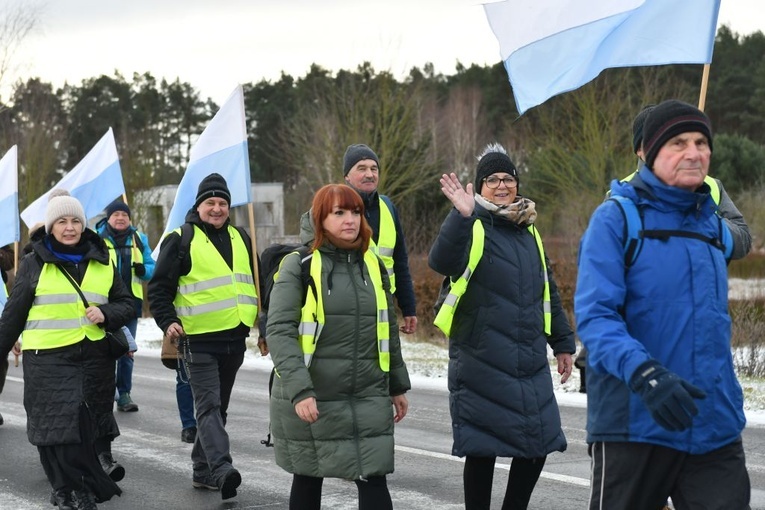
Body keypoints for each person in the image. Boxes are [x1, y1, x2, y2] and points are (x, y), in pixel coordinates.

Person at [575, 99, 751, 509]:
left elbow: (741, 244)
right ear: (648, 153)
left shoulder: (711, 223)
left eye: (701, 142)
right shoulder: (616, 219)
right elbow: (596, 317)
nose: (694, 153)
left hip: (712, 424)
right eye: (677, 143)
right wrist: (646, 375)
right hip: (636, 423)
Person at [429, 143, 576, 510]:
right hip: (481, 355)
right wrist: (460, 218)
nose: (500, 185)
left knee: (539, 442)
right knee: (484, 448)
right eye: (491, 179)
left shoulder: (530, 232)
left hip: (527, 357)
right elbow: (441, 261)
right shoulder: (472, 223)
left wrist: (562, 342)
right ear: (479, 187)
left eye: (507, 178)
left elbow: (548, 291)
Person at [268, 184, 411, 510]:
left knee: (374, 477)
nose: (350, 220)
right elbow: (279, 330)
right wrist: (300, 390)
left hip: (367, 393)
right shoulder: (299, 265)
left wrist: (397, 385)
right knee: (308, 476)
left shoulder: (372, 264)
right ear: (321, 218)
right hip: (315, 394)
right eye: (339, 212)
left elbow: (387, 328)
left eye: (356, 212)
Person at [0, 189, 135, 510]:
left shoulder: (103, 260)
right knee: (55, 430)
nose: (70, 227)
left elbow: (127, 303)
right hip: (46, 358)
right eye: (62, 221)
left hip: (93, 359)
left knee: (84, 429)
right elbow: (13, 314)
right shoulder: (33, 264)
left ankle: (81, 488)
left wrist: (106, 314)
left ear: (84, 225)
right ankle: (65, 487)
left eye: (76, 220)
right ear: (50, 226)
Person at [148, 172, 256, 500]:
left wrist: (261, 325)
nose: (218, 208)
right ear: (199, 205)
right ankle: (222, 469)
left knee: (218, 408)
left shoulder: (242, 237)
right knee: (207, 407)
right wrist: (168, 322)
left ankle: (202, 470)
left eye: (223, 203)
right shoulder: (181, 238)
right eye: (211, 202)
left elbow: (257, 284)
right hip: (197, 339)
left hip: (235, 338)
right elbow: (159, 289)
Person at [343, 144, 418, 335]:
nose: (370, 174)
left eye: (374, 168)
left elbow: (400, 261)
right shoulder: (334, 208)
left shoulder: (388, 207)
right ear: (347, 177)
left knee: (385, 361)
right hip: (347, 309)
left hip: (386, 305)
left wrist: (408, 308)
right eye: (361, 168)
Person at [96, 200, 156, 413]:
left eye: (124, 214)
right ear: (108, 218)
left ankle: (124, 395)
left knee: (126, 349)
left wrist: (144, 271)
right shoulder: (98, 239)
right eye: (116, 214)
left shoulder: (139, 239)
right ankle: (105, 391)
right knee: (104, 350)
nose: (120, 218)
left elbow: (151, 268)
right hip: (104, 305)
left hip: (131, 304)